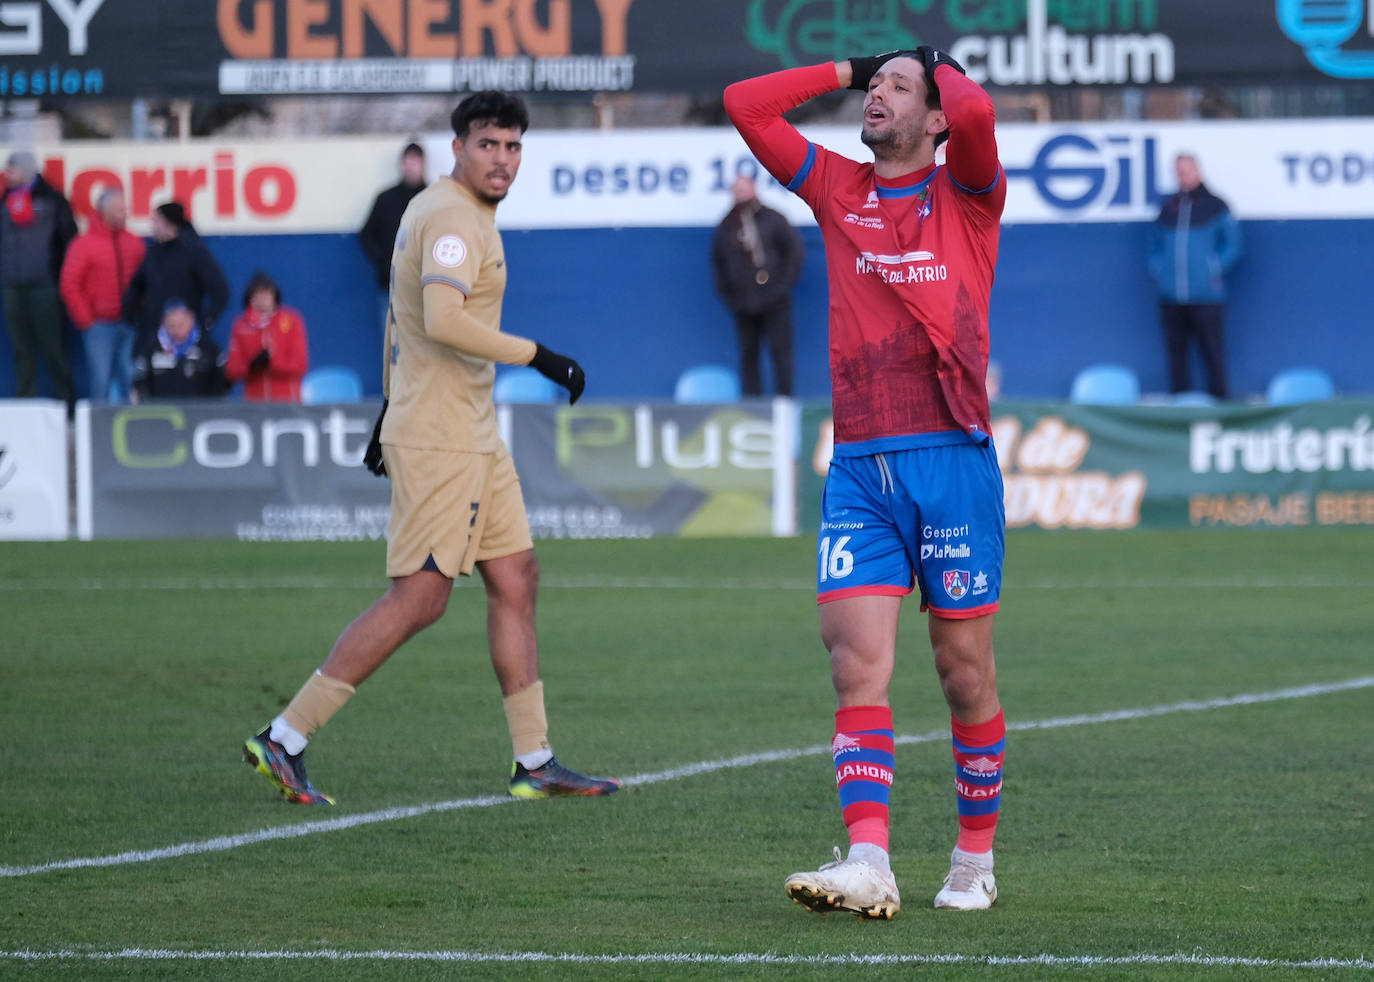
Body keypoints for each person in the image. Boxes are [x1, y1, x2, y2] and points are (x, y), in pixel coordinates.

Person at [242, 91, 617, 806]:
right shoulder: (450, 216)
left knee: (517, 578)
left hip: (468, 428)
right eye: (488, 144)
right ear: (458, 148)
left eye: (512, 147)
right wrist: (540, 356)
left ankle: (534, 761)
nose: (502, 159)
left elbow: (399, 320)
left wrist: (388, 409)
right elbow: (443, 320)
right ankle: (284, 737)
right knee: (420, 598)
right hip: (444, 435)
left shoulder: (447, 209)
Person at [726, 47, 1008, 916]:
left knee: (963, 674)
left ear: (936, 119)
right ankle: (870, 860)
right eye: (873, 87)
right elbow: (746, 102)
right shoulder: (835, 187)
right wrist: (856, 64)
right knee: (856, 665)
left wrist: (935, 65)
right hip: (859, 466)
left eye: (900, 88)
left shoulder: (968, 195)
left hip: (952, 461)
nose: (879, 96)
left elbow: (981, 117)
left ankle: (973, 859)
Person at [1146, 153, 1242, 399]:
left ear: (1198, 171)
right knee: (1176, 355)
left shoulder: (1216, 206)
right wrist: (1159, 271)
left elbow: (1233, 244)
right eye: (1179, 172)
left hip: (1206, 296)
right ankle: (1180, 406)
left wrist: (1214, 268)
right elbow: (1153, 245)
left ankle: (1220, 405)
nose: (1183, 176)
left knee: (1212, 353)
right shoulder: (1168, 208)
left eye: (1187, 171)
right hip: (1171, 297)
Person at [710, 175, 804, 396]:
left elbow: (794, 252)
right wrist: (730, 295)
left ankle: (784, 402)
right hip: (743, 303)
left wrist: (780, 286)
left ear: (754, 189)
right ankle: (753, 404)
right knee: (748, 355)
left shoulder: (772, 219)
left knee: (781, 353)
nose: (741, 195)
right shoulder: (727, 226)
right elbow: (718, 262)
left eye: (744, 190)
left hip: (775, 301)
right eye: (737, 191)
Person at [1, 150, 77, 403]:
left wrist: (59, 279)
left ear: (25, 170)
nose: (6, 175)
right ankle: (26, 403)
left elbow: (69, 241)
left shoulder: (52, 198)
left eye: (11, 170)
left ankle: (65, 404)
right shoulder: (4, 199)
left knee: (53, 347)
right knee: (21, 349)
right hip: (12, 285)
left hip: (45, 285)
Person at [59, 188, 145, 403]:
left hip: (129, 324)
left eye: (125, 209)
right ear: (105, 213)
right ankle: (99, 430)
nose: (124, 214)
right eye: (119, 210)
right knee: (101, 381)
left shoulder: (134, 243)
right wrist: (86, 320)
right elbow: (69, 285)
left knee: (131, 379)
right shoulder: (83, 245)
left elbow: (145, 282)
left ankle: (132, 428)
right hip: (99, 326)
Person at [122, 201, 229, 358]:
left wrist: (204, 324)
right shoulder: (153, 252)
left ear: (169, 224)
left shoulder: (194, 252)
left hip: (184, 339)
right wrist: (131, 316)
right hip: (152, 336)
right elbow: (137, 286)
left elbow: (221, 291)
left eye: (156, 220)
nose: (152, 226)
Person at [359, 142, 428, 341]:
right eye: (407, 160)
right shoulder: (385, 199)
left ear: (423, 164)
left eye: (415, 161)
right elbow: (366, 235)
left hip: (426, 289)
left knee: (426, 347)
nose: (410, 166)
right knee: (393, 347)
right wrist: (383, 262)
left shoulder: (435, 198)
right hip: (390, 286)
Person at [224, 271, 309, 402]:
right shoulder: (241, 325)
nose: (263, 298)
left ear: (275, 296)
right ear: (250, 298)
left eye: (268, 293)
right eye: (257, 293)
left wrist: (272, 363)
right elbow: (232, 371)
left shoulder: (292, 320)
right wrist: (251, 366)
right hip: (255, 404)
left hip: (288, 403)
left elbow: (300, 366)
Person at [131, 298, 229, 400]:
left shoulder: (208, 348)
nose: (177, 330)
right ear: (163, 323)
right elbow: (140, 381)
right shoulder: (152, 348)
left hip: (200, 411)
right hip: (162, 411)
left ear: (191, 320)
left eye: (181, 324)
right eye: (171, 325)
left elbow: (221, 382)